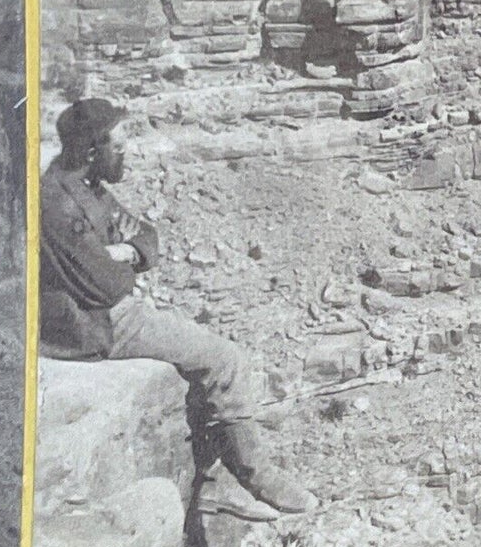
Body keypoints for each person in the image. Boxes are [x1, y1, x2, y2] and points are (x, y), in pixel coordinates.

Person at [39, 96, 317, 515]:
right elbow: (107, 286)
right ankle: (257, 476)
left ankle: (208, 481)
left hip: (110, 310)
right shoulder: (57, 204)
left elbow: (147, 236)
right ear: (94, 149)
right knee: (226, 360)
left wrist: (125, 253)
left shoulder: (87, 189)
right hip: (95, 325)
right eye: (120, 144)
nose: (126, 152)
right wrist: (120, 262)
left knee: (199, 361)